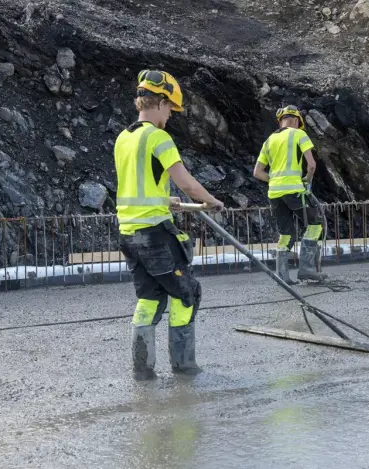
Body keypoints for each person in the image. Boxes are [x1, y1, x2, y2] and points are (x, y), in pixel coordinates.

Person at [115, 69, 224, 380]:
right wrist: (212, 201)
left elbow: (137, 186)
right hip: (155, 234)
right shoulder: (158, 137)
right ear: (160, 103)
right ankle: (184, 367)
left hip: (129, 233)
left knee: (149, 297)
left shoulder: (124, 137)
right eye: (171, 110)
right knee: (187, 293)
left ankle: (143, 370)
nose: (171, 117)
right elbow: (187, 183)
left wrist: (167, 200)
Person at [253, 105, 327, 285]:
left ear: (281, 121)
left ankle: (282, 276)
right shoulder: (299, 134)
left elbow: (257, 172)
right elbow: (311, 165)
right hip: (295, 191)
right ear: (296, 121)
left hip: (275, 193)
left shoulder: (269, 140)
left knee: (286, 233)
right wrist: (307, 181)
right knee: (315, 225)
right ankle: (307, 270)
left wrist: (276, 180)